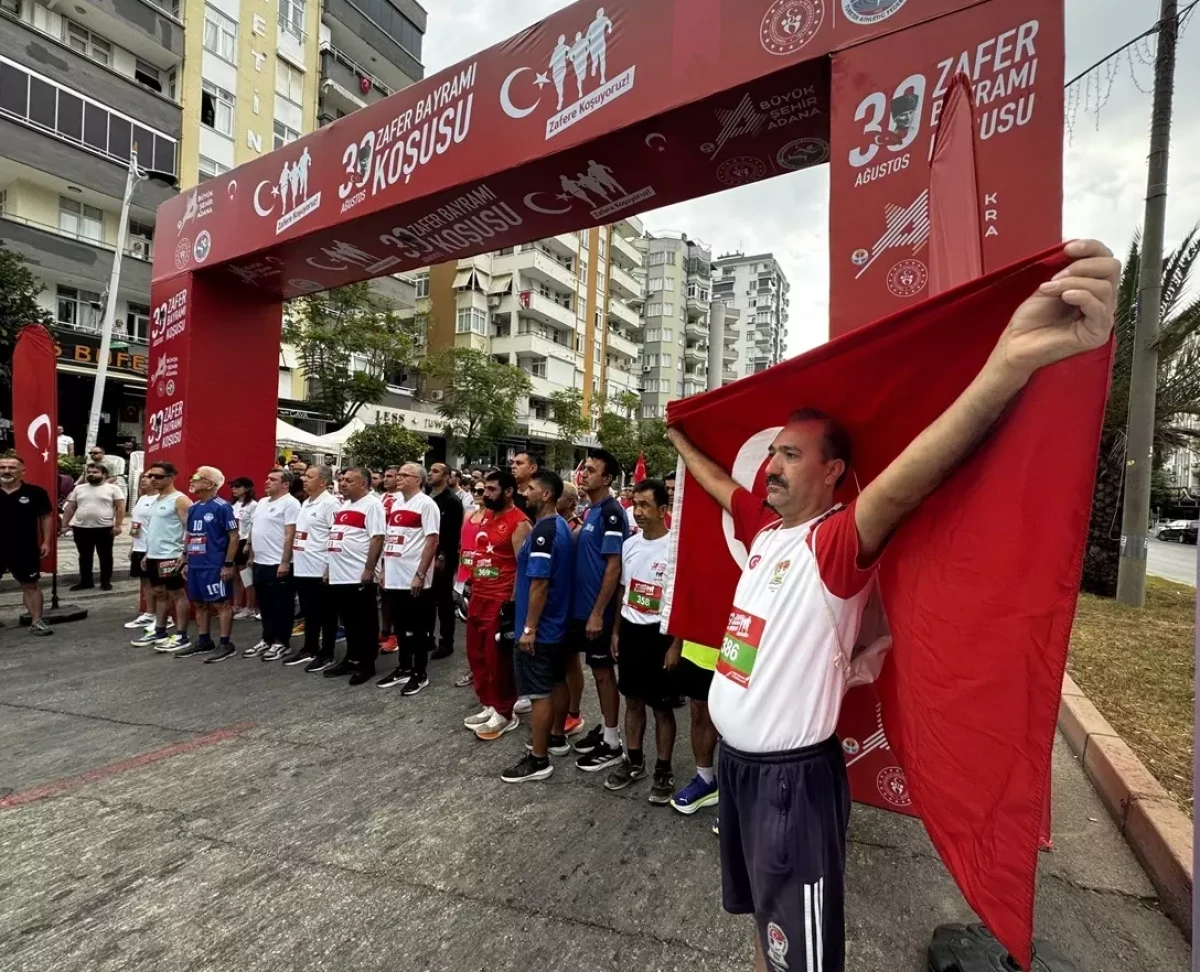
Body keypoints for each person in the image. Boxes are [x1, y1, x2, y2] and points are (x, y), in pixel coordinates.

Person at [666, 240, 1119, 972]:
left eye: (789, 454)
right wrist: (683, 434)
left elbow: (915, 472)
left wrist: (1009, 361)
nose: (771, 465)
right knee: (764, 930)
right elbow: (719, 482)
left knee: (803, 957)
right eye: (771, 451)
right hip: (740, 771)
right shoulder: (764, 529)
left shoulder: (836, 543)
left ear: (834, 471)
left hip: (791, 785)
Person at [603, 480, 677, 803]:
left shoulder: (676, 548)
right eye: (636, 504)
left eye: (646, 505)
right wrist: (617, 630)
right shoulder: (630, 545)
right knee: (632, 700)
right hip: (631, 630)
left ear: (663, 510)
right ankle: (634, 761)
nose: (639, 511)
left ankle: (664, 769)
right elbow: (624, 590)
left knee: (661, 706)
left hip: (660, 636)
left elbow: (682, 600)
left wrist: (676, 644)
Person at [501, 470, 575, 783]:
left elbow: (540, 584)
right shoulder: (556, 525)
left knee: (539, 693)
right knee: (556, 682)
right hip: (555, 626)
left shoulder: (545, 531)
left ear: (545, 495)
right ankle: (556, 737)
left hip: (542, 628)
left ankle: (538, 758)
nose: (525, 491)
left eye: (531, 488)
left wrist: (529, 629)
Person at [568, 449, 628, 767]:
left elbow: (614, 567)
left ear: (606, 479)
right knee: (596, 673)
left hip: (598, 613)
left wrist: (597, 612)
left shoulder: (612, 513)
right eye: (584, 469)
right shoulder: (591, 511)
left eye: (592, 470)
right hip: (581, 609)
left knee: (604, 675)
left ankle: (613, 742)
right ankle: (606, 729)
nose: (585, 473)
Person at [464, 468, 531, 741]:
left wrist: (512, 607)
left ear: (509, 492)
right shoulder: (487, 517)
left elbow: (522, 568)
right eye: (484, 489)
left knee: (497, 660)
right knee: (477, 655)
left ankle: (505, 712)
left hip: (500, 600)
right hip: (479, 595)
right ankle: (489, 704)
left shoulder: (520, 523)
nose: (485, 494)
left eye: (491, 490)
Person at [377, 463, 441, 694]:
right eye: (398, 474)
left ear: (418, 479)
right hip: (394, 576)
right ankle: (403, 667)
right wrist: (384, 569)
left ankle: (419, 672)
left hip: (414, 578)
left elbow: (432, 540)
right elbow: (391, 538)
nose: (399, 478)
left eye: (405, 475)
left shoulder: (426, 504)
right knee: (401, 627)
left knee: (418, 628)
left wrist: (421, 574)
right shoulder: (396, 503)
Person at [323, 466, 385, 685]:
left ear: (364, 484)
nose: (343, 483)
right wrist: (329, 567)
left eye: (349, 480)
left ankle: (367, 663)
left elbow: (377, 538)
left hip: (358, 575)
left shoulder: (373, 505)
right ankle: (351, 657)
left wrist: (369, 569)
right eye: (342, 479)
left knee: (364, 622)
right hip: (340, 574)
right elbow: (336, 537)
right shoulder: (345, 505)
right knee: (348, 622)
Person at [173, 466, 239, 660]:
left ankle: (226, 644)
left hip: (214, 564)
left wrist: (228, 564)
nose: (191, 480)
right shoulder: (193, 508)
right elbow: (190, 534)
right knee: (199, 603)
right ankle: (204, 641)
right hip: (196, 563)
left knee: (221, 604)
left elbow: (234, 536)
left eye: (197, 477)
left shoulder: (222, 507)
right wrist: (185, 557)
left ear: (210, 484)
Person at [130, 462, 192, 651]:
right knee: (159, 593)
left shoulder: (180, 500)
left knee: (177, 594)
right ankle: (160, 630)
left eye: (158, 476)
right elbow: (155, 530)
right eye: (151, 476)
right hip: (154, 555)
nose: (152, 480)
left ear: (171, 477)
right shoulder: (155, 500)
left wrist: (185, 554)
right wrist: (147, 554)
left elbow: (190, 529)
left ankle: (182, 635)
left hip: (172, 556)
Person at [286, 464, 341, 671]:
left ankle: (327, 653)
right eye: (304, 476)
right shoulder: (307, 502)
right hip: (302, 566)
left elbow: (336, 536)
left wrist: (329, 567)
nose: (304, 479)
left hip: (320, 568)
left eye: (309, 476)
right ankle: (309, 647)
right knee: (309, 612)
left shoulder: (331, 504)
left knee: (326, 614)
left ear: (323, 482)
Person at [245, 469, 299, 660]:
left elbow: (290, 534)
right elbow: (255, 529)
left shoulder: (291, 503)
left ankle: (281, 642)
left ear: (285, 484)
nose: (267, 482)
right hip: (260, 561)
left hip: (278, 562)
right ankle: (267, 638)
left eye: (273, 479)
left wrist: (285, 562)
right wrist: (251, 554)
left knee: (281, 605)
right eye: (267, 478)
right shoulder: (261, 502)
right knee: (265, 604)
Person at [0, 454, 54, 636]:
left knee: (30, 585)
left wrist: (46, 541)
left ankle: (36, 621)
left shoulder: (36, 493)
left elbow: (46, 517)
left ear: (23, 471)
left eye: (12, 467)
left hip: (24, 547)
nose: (7, 471)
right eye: (3, 467)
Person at [669, 637, 722, 815]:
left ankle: (738, 801)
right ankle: (705, 781)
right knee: (699, 712)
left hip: (739, 649)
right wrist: (676, 644)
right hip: (698, 648)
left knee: (736, 724)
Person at [61, 462, 125, 591]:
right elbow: (71, 507)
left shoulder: (113, 489)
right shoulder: (79, 489)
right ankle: (86, 581)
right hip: (81, 528)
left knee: (105, 556)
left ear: (104, 474)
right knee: (84, 556)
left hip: (105, 528)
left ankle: (105, 581)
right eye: (89, 472)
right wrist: (64, 525)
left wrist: (118, 525)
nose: (91, 474)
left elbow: (121, 507)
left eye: (95, 472)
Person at [453, 479, 488, 689]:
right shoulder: (468, 515)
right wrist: (460, 579)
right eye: (475, 489)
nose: (477, 493)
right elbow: (463, 548)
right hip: (466, 577)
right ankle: (473, 668)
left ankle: (487, 669)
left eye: (482, 490)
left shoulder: (493, 518)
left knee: (485, 628)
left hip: (485, 577)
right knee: (471, 628)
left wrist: (482, 574)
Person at [428, 462, 464, 659]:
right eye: (430, 471)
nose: (431, 474)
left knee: (443, 601)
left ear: (447, 476)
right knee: (426, 600)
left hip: (442, 557)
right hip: (425, 556)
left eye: (436, 471)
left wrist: (443, 555)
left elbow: (451, 533)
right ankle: (427, 637)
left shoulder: (452, 501)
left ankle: (446, 641)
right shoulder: (425, 498)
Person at [124, 474, 159, 630]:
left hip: (152, 550)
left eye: (148, 477)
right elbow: (136, 525)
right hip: (139, 547)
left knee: (157, 584)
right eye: (142, 477)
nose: (144, 480)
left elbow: (158, 528)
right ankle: (150, 613)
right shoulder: (141, 499)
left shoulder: (159, 500)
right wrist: (133, 546)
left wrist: (149, 551)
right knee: (145, 583)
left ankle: (162, 616)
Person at [377, 465, 402, 654]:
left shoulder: (402, 499)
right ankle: (385, 630)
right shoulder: (382, 497)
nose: (386, 480)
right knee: (384, 594)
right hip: (382, 550)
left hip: (396, 551)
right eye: (385, 476)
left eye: (390, 476)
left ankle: (396, 634)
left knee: (394, 596)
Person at [229, 478, 258, 620]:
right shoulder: (232, 504)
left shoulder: (253, 505)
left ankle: (250, 607)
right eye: (233, 486)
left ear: (246, 488)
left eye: (237, 486)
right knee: (234, 576)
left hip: (245, 541)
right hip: (233, 541)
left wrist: (249, 543)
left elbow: (254, 525)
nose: (234, 489)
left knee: (246, 575)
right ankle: (237, 604)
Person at [510, 451, 541, 522]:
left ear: (533, 468)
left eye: (519, 463)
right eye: (513, 463)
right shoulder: (508, 493)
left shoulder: (539, 499)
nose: (512, 466)